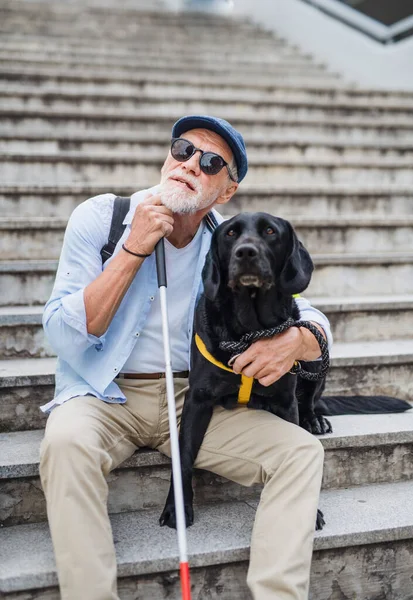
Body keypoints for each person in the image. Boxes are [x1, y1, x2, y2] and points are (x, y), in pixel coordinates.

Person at [39, 115, 332, 600]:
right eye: (183, 149)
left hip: (192, 398)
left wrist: (305, 339)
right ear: (167, 157)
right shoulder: (102, 218)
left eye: (211, 161)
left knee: (302, 452)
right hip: (102, 393)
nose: (191, 163)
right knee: (65, 446)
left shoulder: (229, 242)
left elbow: (301, 305)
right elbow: (62, 333)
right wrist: (132, 249)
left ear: (225, 191)